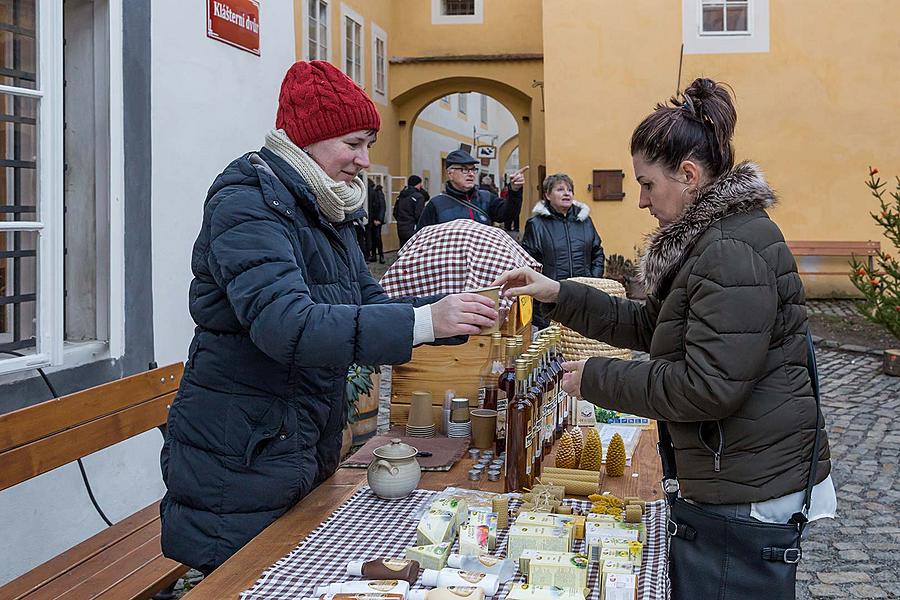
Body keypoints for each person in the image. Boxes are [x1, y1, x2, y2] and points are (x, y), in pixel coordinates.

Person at [159, 60, 499, 575]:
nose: (365, 160)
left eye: (369, 144)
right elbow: (288, 326)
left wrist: (457, 317)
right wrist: (427, 321)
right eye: (354, 143)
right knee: (244, 580)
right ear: (310, 138)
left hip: (292, 441)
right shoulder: (248, 203)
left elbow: (368, 304)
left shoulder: (322, 206)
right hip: (240, 455)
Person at [494, 78, 833, 589]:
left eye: (648, 184)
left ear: (689, 176)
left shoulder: (729, 250)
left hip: (744, 484)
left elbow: (709, 386)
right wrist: (557, 295)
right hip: (734, 470)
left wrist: (597, 378)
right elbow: (651, 326)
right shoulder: (710, 241)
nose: (641, 201)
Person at [520, 173, 605, 327]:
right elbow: (528, 262)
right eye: (560, 189)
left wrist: (593, 279)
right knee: (552, 347)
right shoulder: (536, 224)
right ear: (547, 195)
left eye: (570, 190)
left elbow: (597, 252)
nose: (567, 193)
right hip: (550, 298)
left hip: (582, 295)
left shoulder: (585, 221)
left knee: (580, 345)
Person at [417, 150, 527, 229]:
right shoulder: (436, 204)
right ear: (450, 174)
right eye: (464, 170)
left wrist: (514, 190)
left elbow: (508, 215)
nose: (471, 174)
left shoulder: (486, 198)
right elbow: (421, 238)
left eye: (473, 169)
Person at [394, 175, 427, 248]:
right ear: (418, 184)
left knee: (403, 248)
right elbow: (419, 215)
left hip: (401, 226)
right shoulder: (418, 197)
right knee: (413, 248)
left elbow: (395, 212)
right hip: (413, 227)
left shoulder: (401, 195)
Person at [366, 179, 385, 263]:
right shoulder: (372, 192)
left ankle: (381, 255)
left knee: (377, 237)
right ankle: (374, 255)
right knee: (373, 237)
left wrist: (379, 219)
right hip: (371, 218)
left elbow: (382, 207)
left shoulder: (377, 192)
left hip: (376, 219)